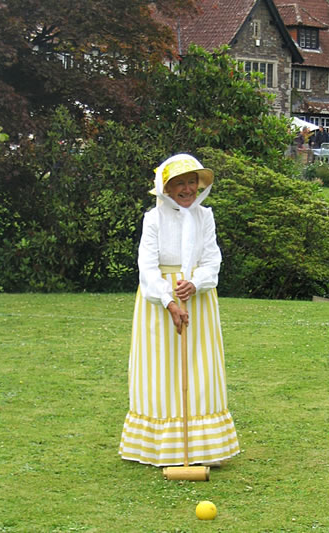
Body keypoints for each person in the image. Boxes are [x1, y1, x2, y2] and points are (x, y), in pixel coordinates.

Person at [119, 154, 240, 467]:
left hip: (199, 301)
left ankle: (201, 448)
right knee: (160, 370)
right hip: (158, 303)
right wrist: (169, 300)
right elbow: (146, 266)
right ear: (166, 188)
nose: (187, 189)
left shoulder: (205, 216)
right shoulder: (154, 219)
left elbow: (212, 259)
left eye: (191, 182)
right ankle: (159, 446)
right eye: (179, 184)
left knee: (201, 367)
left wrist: (196, 283)